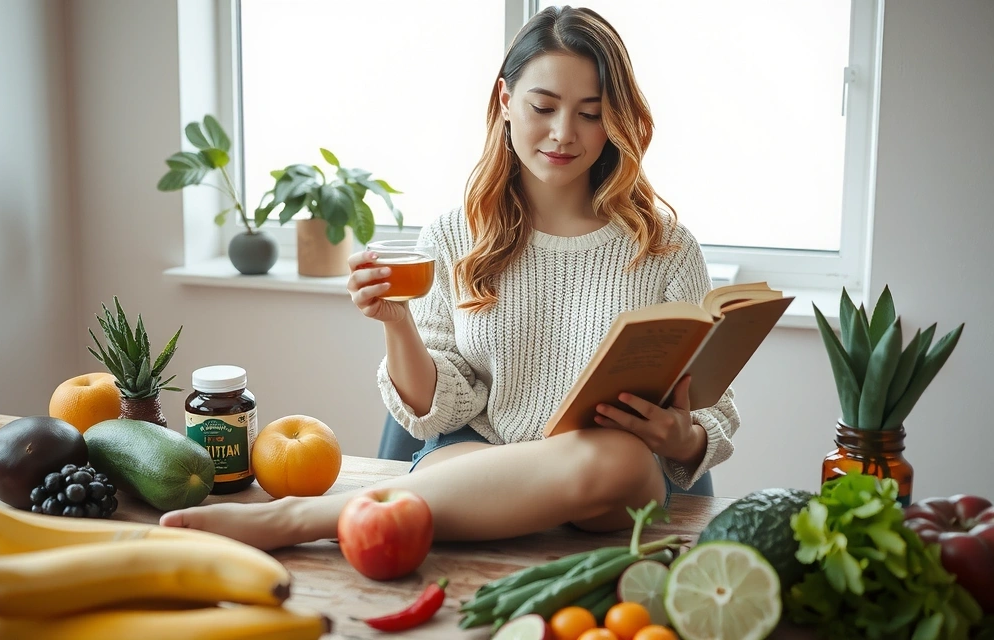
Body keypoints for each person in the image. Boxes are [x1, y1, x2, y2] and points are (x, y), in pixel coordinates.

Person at [160, 5, 739, 551]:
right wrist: (397, 324)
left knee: (621, 459)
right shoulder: (452, 234)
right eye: (543, 107)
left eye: (590, 114)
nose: (565, 132)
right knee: (453, 465)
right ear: (505, 100)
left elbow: (712, 410)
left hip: (611, 483)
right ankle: (314, 516)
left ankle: (300, 518)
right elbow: (436, 412)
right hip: (476, 459)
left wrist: (681, 438)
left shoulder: (665, 247)